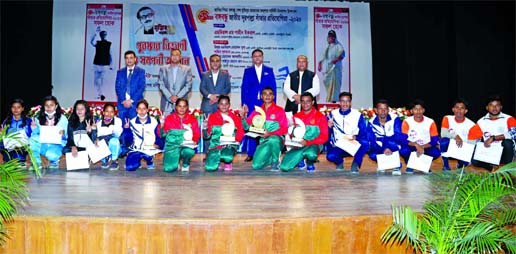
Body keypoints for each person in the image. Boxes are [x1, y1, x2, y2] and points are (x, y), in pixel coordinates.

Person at [240, 49, 276, 162]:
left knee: (266, 127)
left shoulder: (269, 70)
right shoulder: (248, 71)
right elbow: (244, 88)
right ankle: (251, 153)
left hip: (266, 103)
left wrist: (273, 104)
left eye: (259, 56)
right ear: (252, 58)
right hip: (252, 104)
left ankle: (266, 152)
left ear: (262, 57)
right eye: (255, 56)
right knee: (252, 128)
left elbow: (273, 88)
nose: (257, 58)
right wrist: (244, 104)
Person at [242, 87, 288, 170]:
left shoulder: (279, 110)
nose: (267, 96)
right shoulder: (257, 111)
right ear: (261, 96)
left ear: (273, 97)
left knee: (273, 139)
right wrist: (243, 117)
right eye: (265, 94)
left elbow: (284, 129)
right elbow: (247, 127)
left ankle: (275, 161)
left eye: (270, 94)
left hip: (277, 140)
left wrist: (269, 134)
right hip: (263, 141)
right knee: (256, 166)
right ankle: (272, 157)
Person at [280, 92, 328, 172]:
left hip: (314, 144)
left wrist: (307, 142)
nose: (305, 104)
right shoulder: (296, 117)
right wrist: (290, 136)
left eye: (308, 101)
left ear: (312, 102)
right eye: (303, 101)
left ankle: (310, 162)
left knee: (311, 154)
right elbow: (290, 134)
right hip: (298, 145)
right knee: (284, 167)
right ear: (300, 102)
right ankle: (300, 160)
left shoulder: (320, 117)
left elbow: (324, 137)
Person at [469, 95, 516, 170]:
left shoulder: (509, 118)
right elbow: (475, 140)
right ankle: (491, 167)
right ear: (487, 107)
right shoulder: (481, 122)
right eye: (491, 105)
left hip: (504, 153)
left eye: (497, 105)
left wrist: (493, 138)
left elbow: (514, 134)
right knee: (474, 159)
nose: (494, 108)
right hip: (490, 153)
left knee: (507, 143)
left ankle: (507, 166)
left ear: (501, 107)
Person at [326, 92, 368, 173]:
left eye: (347, 101)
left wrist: (356, 137)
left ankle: (356, 163)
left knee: (365, 143)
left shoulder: (357, 115)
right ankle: (339, 162)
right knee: (330, 156)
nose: (345, 104)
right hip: (339, 145)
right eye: (342, 101)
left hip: (352, 143)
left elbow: (363, 132)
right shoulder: (332, 114)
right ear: (339, 102)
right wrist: (329, 127)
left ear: (350, 102)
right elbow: (327, 132)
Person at [204, 95, 245, 171]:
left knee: (227, 157)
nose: (224, 106)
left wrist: (235, 141)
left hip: (229, 146)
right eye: (221, 104)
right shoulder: (212, 117)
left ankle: (227, 162)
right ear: (218, 105)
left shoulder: (235, 118)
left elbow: (240, 132)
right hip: (215, 146)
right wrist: (205, 127)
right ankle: (218, 159)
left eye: (226, 104)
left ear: (229, 105)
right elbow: (207, 136)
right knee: (210, 168)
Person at [399, 99, 440, 174]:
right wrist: (416, 145)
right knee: (404, 151)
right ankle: (410, 165)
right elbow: (404, 139)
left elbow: (435, 139)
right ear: (411, 111)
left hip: (426, 146)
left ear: (423, 110)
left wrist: (422, 147)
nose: (418, 111)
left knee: (436, 152)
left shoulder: (430, 122)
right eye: (415, 109)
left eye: (420, 109)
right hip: (412, 146)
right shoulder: (407, 122)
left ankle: (424, 165)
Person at [160, 98, 200, 172]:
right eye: (179, 106)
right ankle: (176, 161)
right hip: (173, 147)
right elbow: (163, 135)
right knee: (169, 169)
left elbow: (196, 134)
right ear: (176, 107)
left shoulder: (192, 119)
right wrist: (162, 125)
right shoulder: (169, 118)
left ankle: (185, 164)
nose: (182, 109)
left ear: (187, 107)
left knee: (189, 152)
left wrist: (194, 140)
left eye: (184, 106)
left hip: (186, 146)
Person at [123, 100, 163, 171]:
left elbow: (158, 136)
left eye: (144, 109)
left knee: (147, 155)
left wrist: (157, 144)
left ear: (147, 110)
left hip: (149, 149)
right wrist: (127, 130)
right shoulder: (132, 122)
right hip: (136, 149)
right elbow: (128, 141)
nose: (141, 111)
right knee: (129, 167)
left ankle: (149, 161)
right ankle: (137, 162)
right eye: (139, 109)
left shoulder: (153, 121)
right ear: (136, 110)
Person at [29, 96, 68, 169]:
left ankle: (47, 160)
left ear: (56, 106)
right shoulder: (38, 118)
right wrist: (34, 128)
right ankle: (40, 161)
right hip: (43, 143)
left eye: (51, 105)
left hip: (56, 144)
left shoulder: (62, 119)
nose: (49, 108)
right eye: (46, 105)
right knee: (31, 141)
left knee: (51, 155)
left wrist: (63, 134)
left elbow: (67, 136)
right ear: (44, 107)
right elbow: (35, 135)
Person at [366, 99, 403, 175]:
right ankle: (385, 164)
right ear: (376, 110)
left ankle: (395, 165)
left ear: (388, 110)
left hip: (393, 145)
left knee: (392, 142)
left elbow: (398, 135)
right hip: (380, 147)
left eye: (385, 109)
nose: (383, 111)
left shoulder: (395, 119)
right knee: (372, 154)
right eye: (380, 109)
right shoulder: (371, 122)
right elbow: (371, 139)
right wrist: (383, 149)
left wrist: (387, 147)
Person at [439, 99, 476, 171]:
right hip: (450, 147)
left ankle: (460, 164)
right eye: (457, 107)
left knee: (467, 161)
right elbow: (443, 133)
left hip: (462, 148)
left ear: (466, 111)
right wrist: (456, 136)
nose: (459, 110)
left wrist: (464, 150)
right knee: (443, 141)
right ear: (453, 109)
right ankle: (446, 166)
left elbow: (472, 143)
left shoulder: (472, 125)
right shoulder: (447, 118)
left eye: (462, 108)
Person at [158, 49, 193, 115]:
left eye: (177, 55)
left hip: (181, 104)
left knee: (182, 125)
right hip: (166, 104)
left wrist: (177, 97)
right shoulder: (163, 69)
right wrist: (170, 96)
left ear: (180, 57)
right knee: (166, 124)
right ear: (170, 57)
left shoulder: (187, 69)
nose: (174, 57)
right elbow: (161, 84)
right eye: (173, 55)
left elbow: (188, 85)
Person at [62, 100, 96, 165]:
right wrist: (73, 147)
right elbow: (70, 139)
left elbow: (94, 140)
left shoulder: (91, 121)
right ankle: (85, 157)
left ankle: (87, 157)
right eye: (77, 108)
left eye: (82, 109)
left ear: (86, 110)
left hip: (87, 148)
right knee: (65, 150)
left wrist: (91, 131)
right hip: (77, 147)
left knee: (97, 148)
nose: (79, 111)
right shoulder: (71, 122)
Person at [115, 50, 146, 121]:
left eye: (131, 58)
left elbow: (141, 87)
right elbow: (117, 87)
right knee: (122, 128)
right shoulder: (120, 72)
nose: (129, 60)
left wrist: (131, 100)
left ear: (135, 59)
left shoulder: (141, 72)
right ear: (125, 60)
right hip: (122, 104)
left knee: (135, 127)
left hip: (135, 104)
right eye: (127, 58)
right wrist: (123, 100)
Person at [0, 99, 32, 164]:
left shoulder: (28, 121)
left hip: (23, 145)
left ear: (22, 108)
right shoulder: (7, 121)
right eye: (13, 107)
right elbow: (4, 135)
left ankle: (26, 160)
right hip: (10, 146)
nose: (15, 109)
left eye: (18, 107)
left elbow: (31, 135)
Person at [318, 30, 345, 102]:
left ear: (334, 38)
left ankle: (335, 100)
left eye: (332, 37)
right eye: (329, 37)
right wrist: (320, 64)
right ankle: (329, 99)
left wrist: (337, 59)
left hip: (335, 68)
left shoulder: (338, 46)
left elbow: (342, 55)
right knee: (326, 81)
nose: (331, 38)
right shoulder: (327, 46)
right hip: (328, 68)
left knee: (335, 84)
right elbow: (323, 56)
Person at [95, 103, 123, 170]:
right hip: (105, 144)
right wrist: (96, 138)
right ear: (103, 112)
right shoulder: (99, 123)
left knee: (114, 140)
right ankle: (105, 160)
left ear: (114, 113)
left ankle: (114, 160)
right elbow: (98, 136)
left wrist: (109, 126)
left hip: (115, 146)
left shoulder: (118, 121)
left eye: (111, 112)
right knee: (98, 142)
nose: (109, 114)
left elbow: (117, 134)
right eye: (107, 111)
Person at [90, 27, 113, 101]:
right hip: (96, 64)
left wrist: (111, 65)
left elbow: (110, 54)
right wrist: (95, 32)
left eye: (105, 34)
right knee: (96, 81)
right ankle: (99, 93)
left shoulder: (109, 44)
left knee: (103, 80)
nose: (104, 36)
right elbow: (91, 42)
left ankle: (102, 94)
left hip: (105, 64)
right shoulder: (98, 43)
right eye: (102, 34)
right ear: (100, 35)